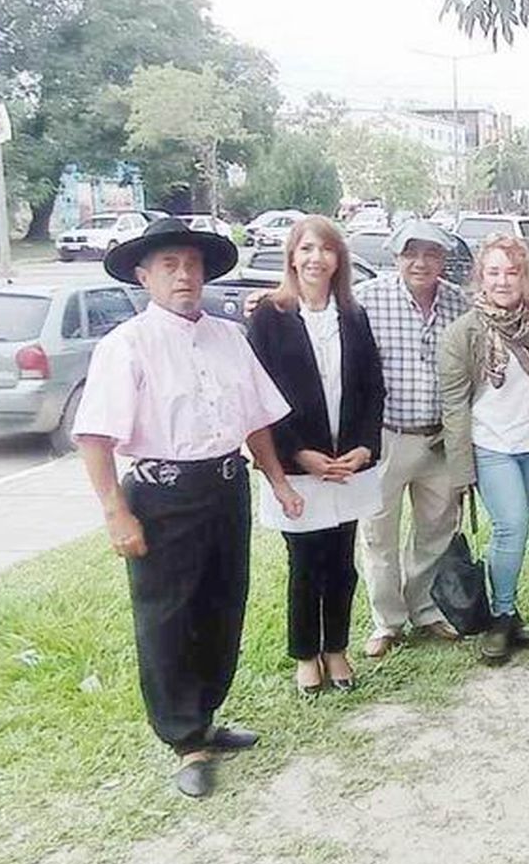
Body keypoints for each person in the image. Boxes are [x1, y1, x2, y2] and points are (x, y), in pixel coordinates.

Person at [72, 217, 303, 799]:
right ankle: (185, 739)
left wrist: (277, 481)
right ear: (144, 276)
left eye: (192, 265)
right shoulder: (126, 346)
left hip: (225, 487)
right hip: (162, 494)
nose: (184, 275)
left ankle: (207, 714)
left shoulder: (228, 337)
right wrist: (115, 512)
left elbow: (255, 422)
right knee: (167, 618)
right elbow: (95, 437)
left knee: (223, 604)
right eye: (170, 265)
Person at [247, 217, 386, 695]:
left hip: (348, 463)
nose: (315, 258)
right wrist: (298, 454)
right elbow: (259, 395)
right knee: (305, 564)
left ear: (338, 260)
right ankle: (306, 655)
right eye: (306, 248)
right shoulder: (269, 315)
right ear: (291, 255)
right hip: (298, 466)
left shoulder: (353, 314)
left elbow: (372, 389)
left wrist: (365, 446)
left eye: (326, 250)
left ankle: (337, 649)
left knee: (341, 563)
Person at [355, 220, 469, 658]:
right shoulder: (367, 300)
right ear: (396, 256)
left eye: (431, 253)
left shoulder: (459, 305)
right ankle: (387, 620)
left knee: (436, 529)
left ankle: (423, 606)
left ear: (443, 259)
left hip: (439, 440)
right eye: (411, 253)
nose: (421, 262)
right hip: (386, 436)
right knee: (377, 534)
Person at [441, 234, 529, 665]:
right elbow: (453, 406)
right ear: (480, 277)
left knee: (518, 527)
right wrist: (461, 472)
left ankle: (508, 607)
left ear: (525, 275)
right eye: (494, 272)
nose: (503, 280)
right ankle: (500, 617)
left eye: (512, 271)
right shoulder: (463, 333)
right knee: (510, 527)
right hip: (493, 444)